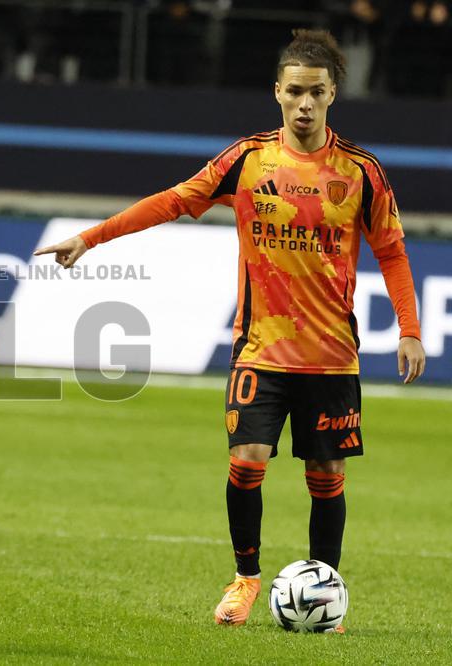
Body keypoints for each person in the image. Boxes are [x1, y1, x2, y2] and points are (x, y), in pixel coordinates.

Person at [35, 29, 425, 630]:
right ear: (277, 92)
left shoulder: (362, 173)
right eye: (293, 91)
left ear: (331, 96)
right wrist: (90, 237)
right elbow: (172, 201)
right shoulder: (247, 160)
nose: (303, 103)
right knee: (246, 458)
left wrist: (409, 328)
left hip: (330, 356)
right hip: (261, 349)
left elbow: (393, 253)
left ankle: (326, 591)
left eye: (315, 93)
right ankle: (245, 580)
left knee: (326, 476)